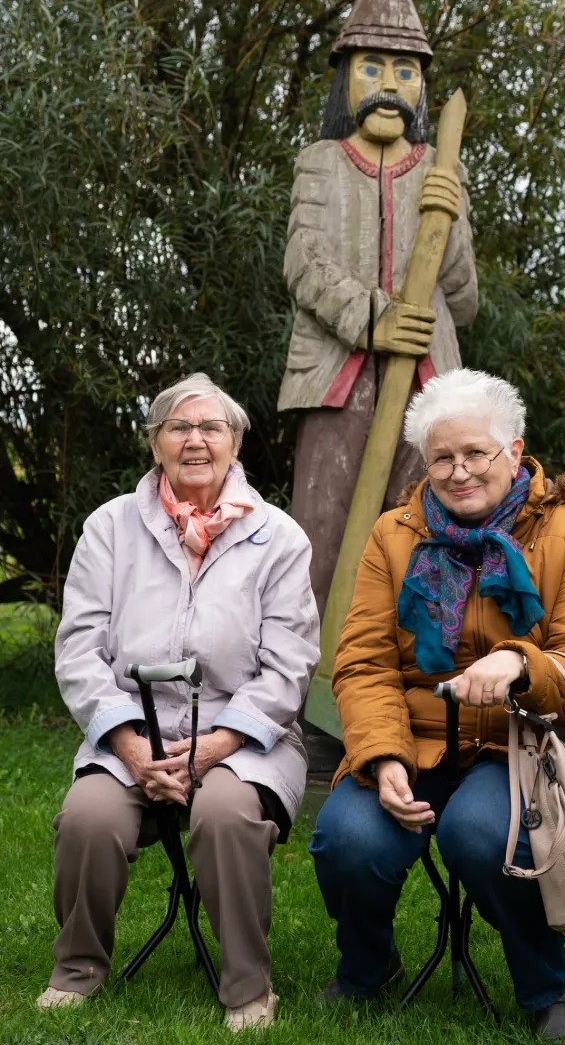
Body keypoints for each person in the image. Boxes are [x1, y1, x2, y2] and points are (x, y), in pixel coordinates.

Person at [310, 368, 565, 1040]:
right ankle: (369, 967)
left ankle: (548, 984)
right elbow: (363, 664)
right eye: (441, 458)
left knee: (481, 834)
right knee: (347, 838)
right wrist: (382, 757)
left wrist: (521, 663)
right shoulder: (393, 535)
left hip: (519, 744)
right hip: (413, 739)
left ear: (514, 450)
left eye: (475, 453)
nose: (458, 472)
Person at [37, 372, 319, 1031]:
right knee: (88, 817)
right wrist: (129, 746)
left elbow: (289, 665)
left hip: (243, 738)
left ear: (234, 442)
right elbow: (78, 651)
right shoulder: (110, 528)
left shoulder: (279, 537)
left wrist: (217, 746)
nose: (196, 440)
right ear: (155, 443)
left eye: (211, 427)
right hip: (130, 733)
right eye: (179, 427)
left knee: (224, 815)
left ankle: (248, 986)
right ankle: (76, 970)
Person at [279, 0, 478, 618]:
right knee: (321, 535)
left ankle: (420, 668)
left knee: (427, 540)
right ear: (345, 78)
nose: (389, 84)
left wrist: (450, 216)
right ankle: (310, 670)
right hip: (335, 382)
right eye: (372, 67)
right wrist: (373, 319)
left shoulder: (441, 168)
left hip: (428, 387)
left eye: (405, 71)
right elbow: (303, 262)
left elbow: (463, 298)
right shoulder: (321, 163)